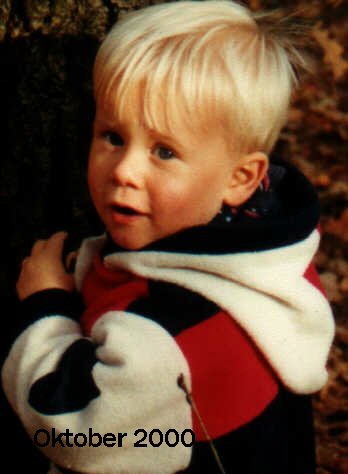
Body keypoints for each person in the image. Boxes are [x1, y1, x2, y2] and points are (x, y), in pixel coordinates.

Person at [2, 1, 334, 473]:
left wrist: (44, 307)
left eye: (164, 151)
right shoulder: (263, 250)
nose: (125, 171)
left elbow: (78, 432)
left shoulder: (170, 335)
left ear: (240, 177)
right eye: (112, 136)